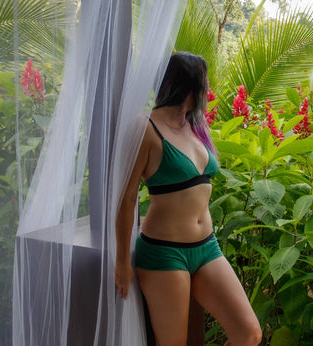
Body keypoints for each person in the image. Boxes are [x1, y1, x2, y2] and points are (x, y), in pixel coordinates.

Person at [115, 52, 262, 346]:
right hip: (164, 252)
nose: (207, 90)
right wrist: (121, 260)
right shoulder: (145, 128)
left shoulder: (195, 127)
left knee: (249, 333)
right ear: (189, 86)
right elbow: (127, 198)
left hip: (206, 247)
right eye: (204, 83)